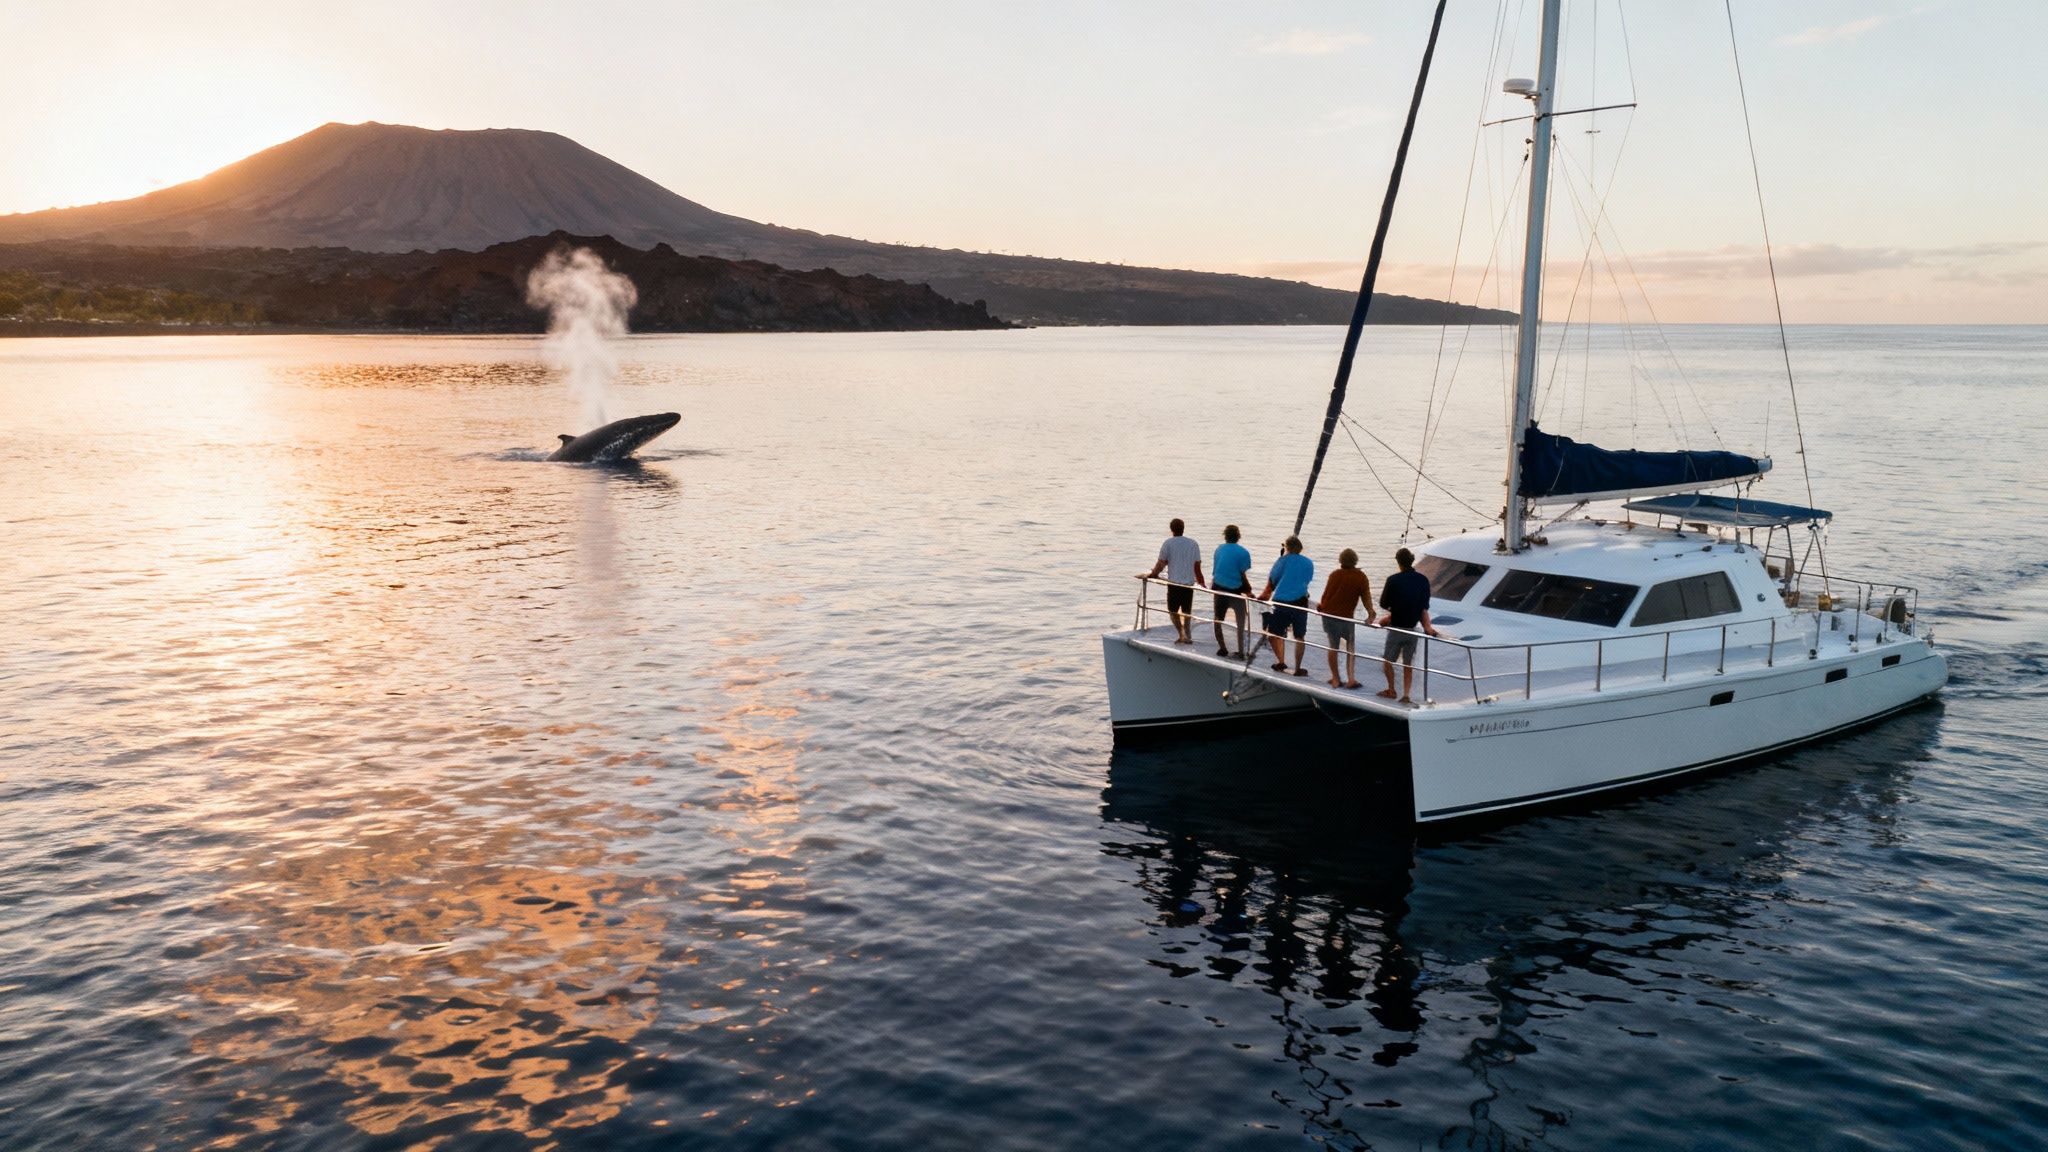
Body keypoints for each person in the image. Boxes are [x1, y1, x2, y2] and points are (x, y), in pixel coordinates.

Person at [1376, 546, 1441, 703]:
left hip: (1397, 627)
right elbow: (1424, 606)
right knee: (1408, 664)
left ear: (1398, 562)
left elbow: (1383, 603)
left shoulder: (1393, 580)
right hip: (1413, 629)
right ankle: (1406, 694)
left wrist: (1392, 613)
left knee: (1387, 661)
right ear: (1412, 561)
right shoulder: (1423, 580)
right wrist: (1427, 626)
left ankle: (1391, 689)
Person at [1137, 518, 1204, 644]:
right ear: (1183, 528)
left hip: (1174, 584)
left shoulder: (1168, 543)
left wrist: (1153, 574)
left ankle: (1181, 634)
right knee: (1186, 611)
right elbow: (1197, 566)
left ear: (1171, 529)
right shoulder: (1193, 544)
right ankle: (1188, 634)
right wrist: (1201, 581)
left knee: (1172, 611)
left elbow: (1161, 563)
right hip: (1189, 584)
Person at [1256, 535, 1314, 675]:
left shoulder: (1282, 561)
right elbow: (1307, 580)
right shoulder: (1308, 562)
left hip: (1282, 602)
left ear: (1286, 547)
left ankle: (1281, 661)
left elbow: (1272, 581)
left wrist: (1263, 596)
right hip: (1300, 601)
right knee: (1299, 636)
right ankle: (1298, 668)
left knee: (1273, 633)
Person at [1317, 548, 1371, 689]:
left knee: (1333, 647)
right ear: (1355, 561)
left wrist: (1321, 606)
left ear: (1341, 560)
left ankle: (1336, 678)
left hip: (1330, 615)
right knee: (1350, 647)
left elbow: (1326, 596)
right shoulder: (1361, 576)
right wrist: (1371, 613)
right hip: (1347, 618)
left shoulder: (1334, 575)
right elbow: (1366, 598)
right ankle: (1351, 679)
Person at [1209, 524, 1253, 658]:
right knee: (1241, 621)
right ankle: (1241, 651)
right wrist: (1249, 590)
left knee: (1218, 619)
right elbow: (1242, 574)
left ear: (1225, 536)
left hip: (1219, 587)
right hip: (1236, 590)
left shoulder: (1219, 549)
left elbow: (1216, 570)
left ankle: (1222, 648)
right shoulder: (1244, 552)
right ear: (1238, 536)